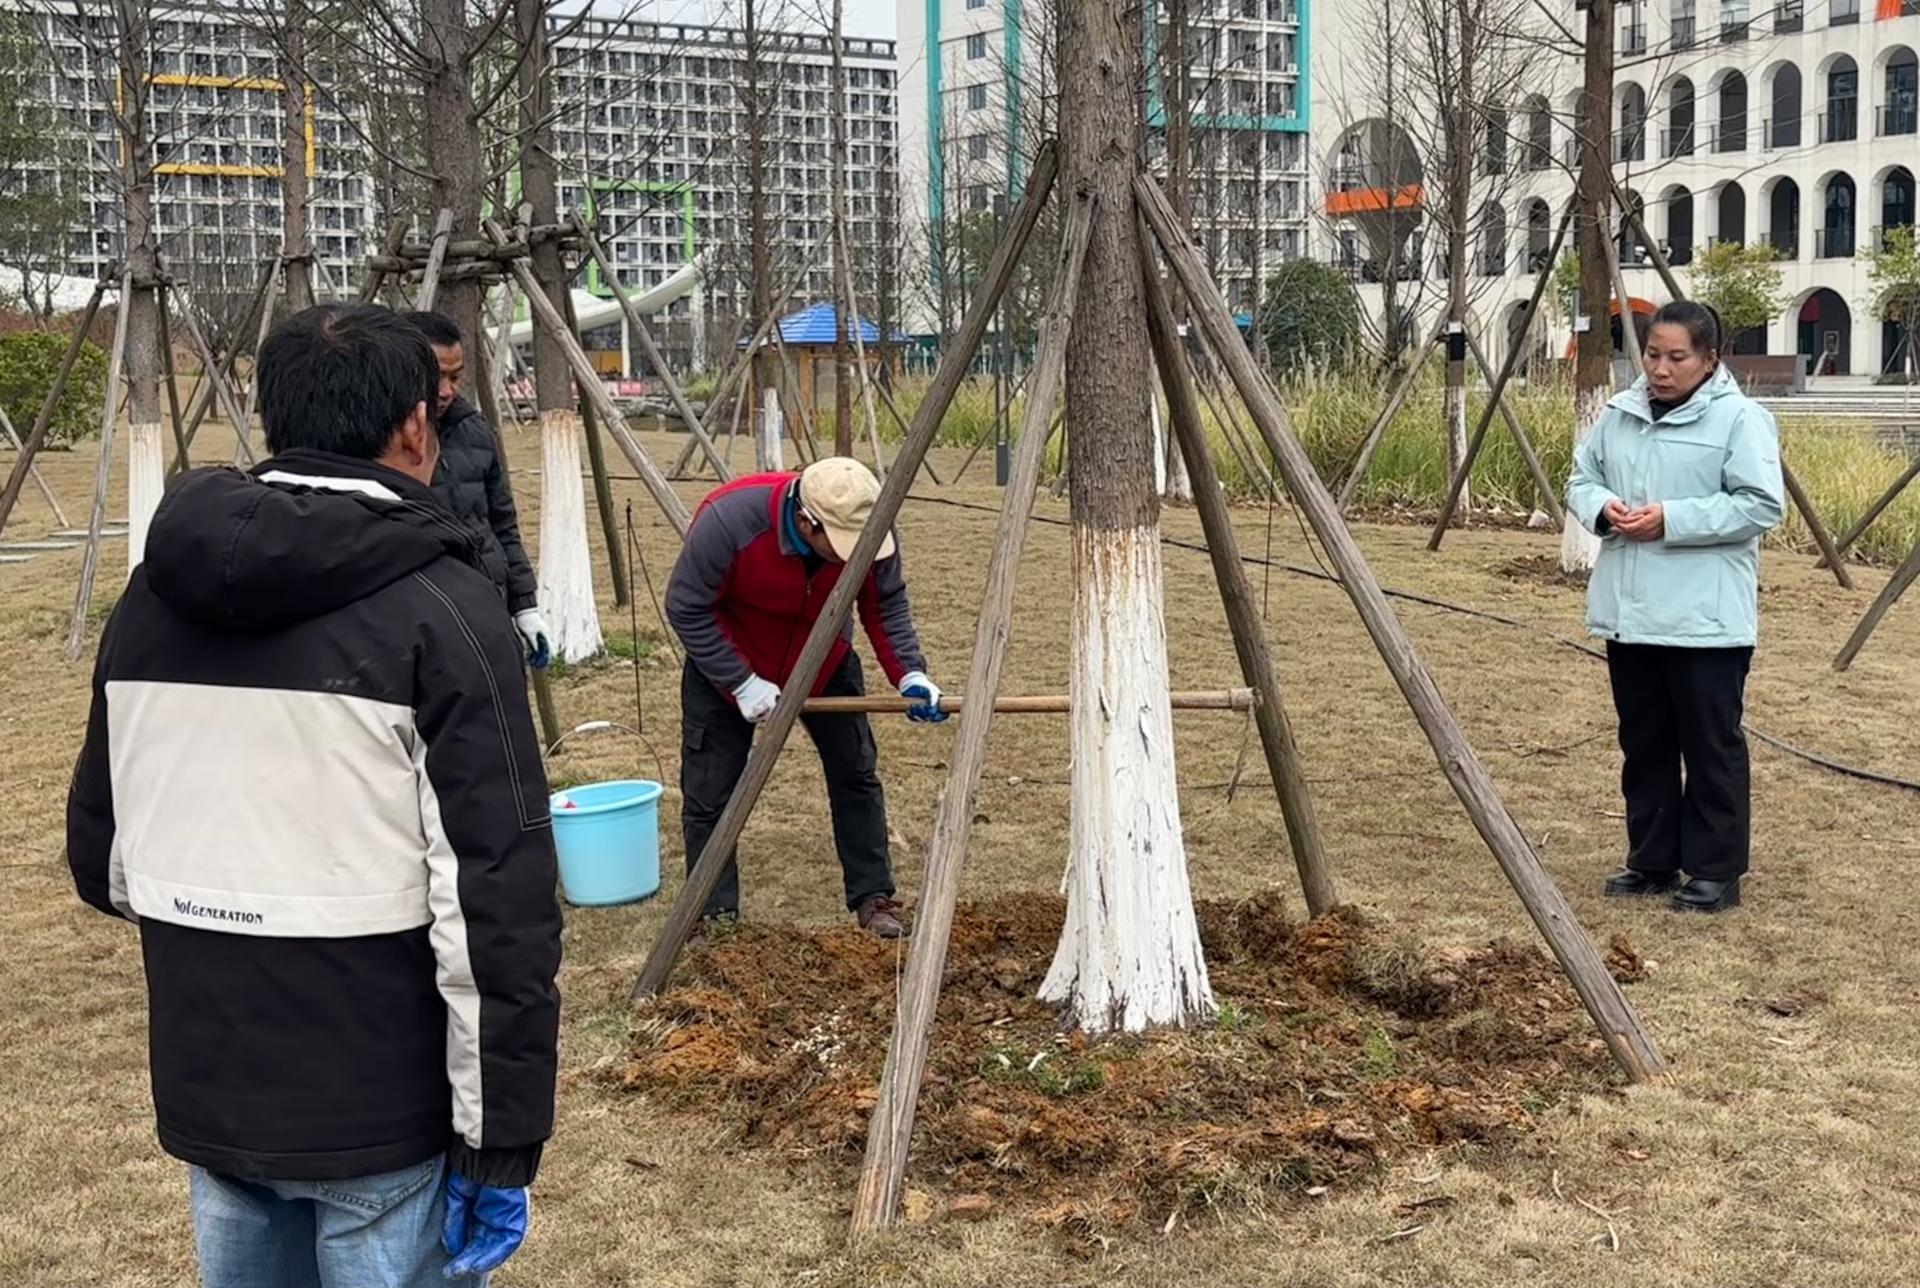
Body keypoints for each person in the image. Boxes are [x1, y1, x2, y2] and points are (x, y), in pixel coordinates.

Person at [66, 304, 563, 1286]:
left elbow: (104, 858)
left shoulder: (150, 597)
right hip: (381, 1099)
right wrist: (500, 1141)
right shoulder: (446, 609)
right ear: (416, 424)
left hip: (211, 1078)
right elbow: (495, 903)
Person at [664, 457, 947, 939]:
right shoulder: (728, 521)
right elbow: (687, 606)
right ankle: (713, 917)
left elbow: (884, 603)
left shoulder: (869, 521)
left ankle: (874, 896)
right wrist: (741, 681)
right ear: (805, 521)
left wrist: (910, 673)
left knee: (856, 775)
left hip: (825, 661)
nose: (851, 556)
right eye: (840, 545)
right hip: (728, 666)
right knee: (710, 793)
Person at [1568, 300, 1786, 914]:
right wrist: (1602, 508)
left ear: (1709, 360)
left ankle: (1715, 870)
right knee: (1645, 743)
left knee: (1710, 747)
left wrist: (1672, 518)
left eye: (1676, 357)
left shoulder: (1740, 420)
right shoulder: (1619, 414)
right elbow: (1581, 479)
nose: (1660, 369)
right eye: (1652, 354)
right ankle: (1652, 859)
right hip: (1630, 613)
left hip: (1705, 622)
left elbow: (1760, 504)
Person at [405, 309, 551, 669]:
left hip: (487, 604)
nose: (446, 391)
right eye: (435, 377)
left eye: (455, 377)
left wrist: (524, 605)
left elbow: (502, 523)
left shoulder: (474, 429)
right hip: (423, 616)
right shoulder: (384, 441)